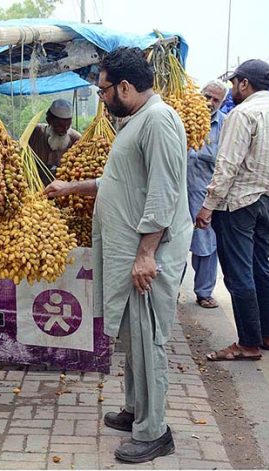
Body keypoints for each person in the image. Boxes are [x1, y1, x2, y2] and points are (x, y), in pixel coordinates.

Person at [45, 47, 191, 463]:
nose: (102, 97)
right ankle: (136, 411)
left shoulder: (159, 121)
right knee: (134, 339)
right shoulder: (137, 122)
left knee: (149, 342)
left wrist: (146, 254)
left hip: (148, 258)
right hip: (132, 253)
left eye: (104, 89)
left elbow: (164, 192)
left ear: (124, 87)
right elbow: (119, 181)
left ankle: (155, 431)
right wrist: (72, 188)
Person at [196, 59, 269, 361]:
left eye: (233, 85)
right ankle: (266, 335)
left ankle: (248, 343)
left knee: (239, 274)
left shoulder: (242, 114)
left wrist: (207, 206)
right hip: (268, 203)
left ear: (244, 83)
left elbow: (226, 166)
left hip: (240, 205)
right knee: (260, 269)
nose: (231, 92)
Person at [185, 80, 228, 309]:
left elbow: (226, 167)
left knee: (205, 246)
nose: (210, 103)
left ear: (221, 103)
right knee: (173, 244)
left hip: (204, 196)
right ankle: (168, 292)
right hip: (178, 193)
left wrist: (212, 203)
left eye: (216, 100)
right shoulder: (183, 116)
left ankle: (204, 292)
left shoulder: (225, 126)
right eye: (207, 96)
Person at [28, 99, 82, 185]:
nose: (64, 130)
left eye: (68, 126)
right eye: (60, 126)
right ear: (49, 121)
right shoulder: (35, 133)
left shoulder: (76, 139)